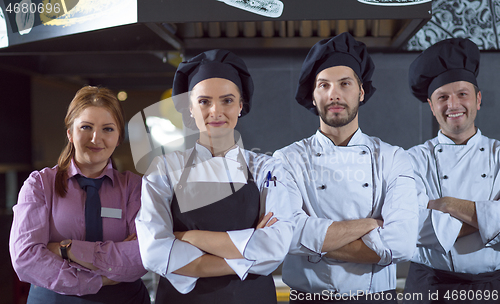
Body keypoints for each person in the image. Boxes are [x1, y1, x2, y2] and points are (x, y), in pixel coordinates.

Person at [135, 49, 294, 304]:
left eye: (227, 100)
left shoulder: (268, 169)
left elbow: (275, 247)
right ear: (190, 109)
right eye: (204, 101)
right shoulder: (164, 170)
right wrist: (247, 256)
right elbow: (153, 252)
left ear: (241, 105)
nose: (215, 111)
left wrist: (187, 238)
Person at [273, 32, 419, 303]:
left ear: (361, 92)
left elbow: (403, 243)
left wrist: (313, 244)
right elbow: (284, 236)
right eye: (324, 85)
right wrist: (370, 224)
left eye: (344, 83)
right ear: (313, 95)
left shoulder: (393, 158)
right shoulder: (286, 160)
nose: (334, 94)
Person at [9, 86, 150, 304]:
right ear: (70, 133)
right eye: (86, 127)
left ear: (119, 136)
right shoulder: (39, 184)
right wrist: (97, 280)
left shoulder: (134, 187)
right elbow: (26, 257)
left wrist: (68, 250)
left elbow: (143, 256)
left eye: (108, 129)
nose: (96, 138)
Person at [403, 38, 500, 303]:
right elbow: (410, 227)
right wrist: (489, 219)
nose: (453, 104)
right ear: (432, 106)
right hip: (428, 285)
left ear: (478, 99)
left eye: (462, 94)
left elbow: (430, 226)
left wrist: (446, 204)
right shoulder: (410, 160)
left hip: (492, 287)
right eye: (442, 97)